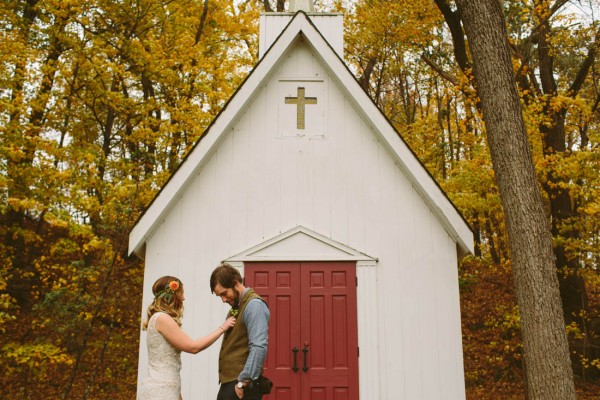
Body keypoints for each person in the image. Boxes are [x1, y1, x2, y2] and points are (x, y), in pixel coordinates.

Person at [139, 275, 236, 400]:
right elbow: (193, 347)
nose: (184, 298)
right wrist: (222, 328)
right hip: (161, 391)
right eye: (182, 293)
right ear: (172, 295)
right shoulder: (162, 318)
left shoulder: (158, 318)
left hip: (167, 389)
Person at [210, 264, 270, 400]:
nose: (223, 300)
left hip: (241, 386)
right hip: (230, 384)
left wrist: (243, 383)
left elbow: (258, 346)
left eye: (224, 294)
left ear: (235, 283)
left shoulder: (254, 305)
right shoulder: (238, 304)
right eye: (220, 296)